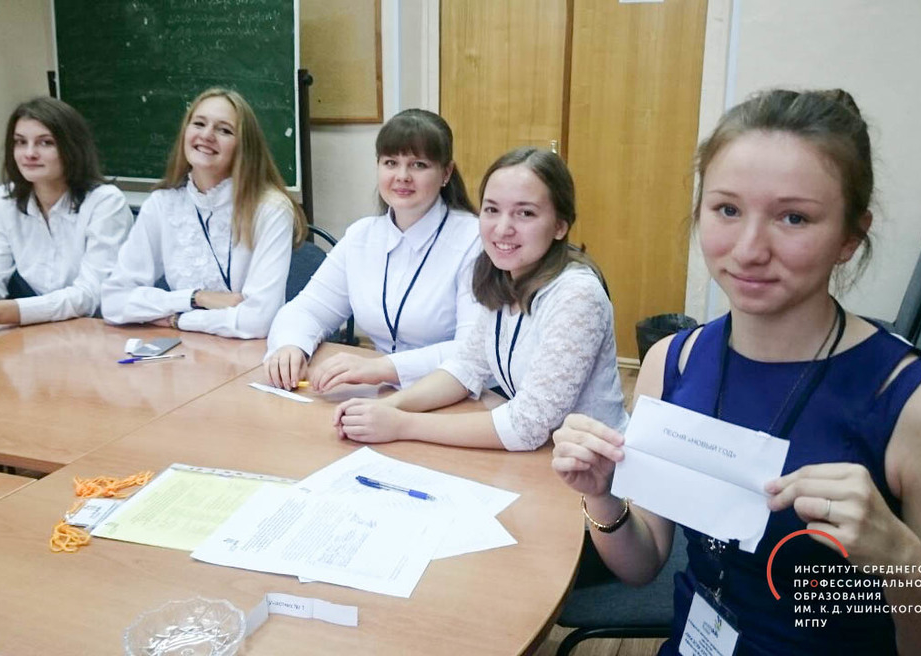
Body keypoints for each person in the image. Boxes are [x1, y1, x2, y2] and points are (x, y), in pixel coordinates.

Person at [551, 89, 921, 654]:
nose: (749, 250)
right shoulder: (671, 362)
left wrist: (901, 561)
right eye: (727, 210)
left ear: (850, 236)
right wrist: (603, 497)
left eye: (794, 217)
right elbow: (643, 563)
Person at [333, 147, 627, 451]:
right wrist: (389, 406)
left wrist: (402, 425)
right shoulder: (504, 276)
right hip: (543, 458)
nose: (502, 228)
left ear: (560, 226)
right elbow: (466, 368)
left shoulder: (577, 295)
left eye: (525, 213)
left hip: (596, 467)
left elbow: (526, 426)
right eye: (492, 210)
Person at [265, 109, 481, 390]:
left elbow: (472, 350)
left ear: (446, 173)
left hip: (455, 395)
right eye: (391, 163)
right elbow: (307, 310)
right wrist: (290, 345)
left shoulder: (474, 240)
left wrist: (383, 368)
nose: (402, 176)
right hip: (380, 395)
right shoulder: (361, 236)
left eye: (418, 165)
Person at [101, 88, 305, 338]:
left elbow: (258, 321)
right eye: (199, 124)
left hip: (248, 352)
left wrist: (178, 320)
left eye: (224, 130)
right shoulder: (162, 204)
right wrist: (195, 298)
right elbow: (113, 302)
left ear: (243, 146)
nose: (207, 135)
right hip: (182, 349)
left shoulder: (271, 209)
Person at [0, 97, 132, 336]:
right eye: (20, 142)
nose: (29, 153)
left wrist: (3, 312)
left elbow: (91, 295)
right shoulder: (6, 200)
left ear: (71, 148)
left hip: (100, 333)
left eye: (45, 143)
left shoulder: (105, 202)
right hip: (39, 332)